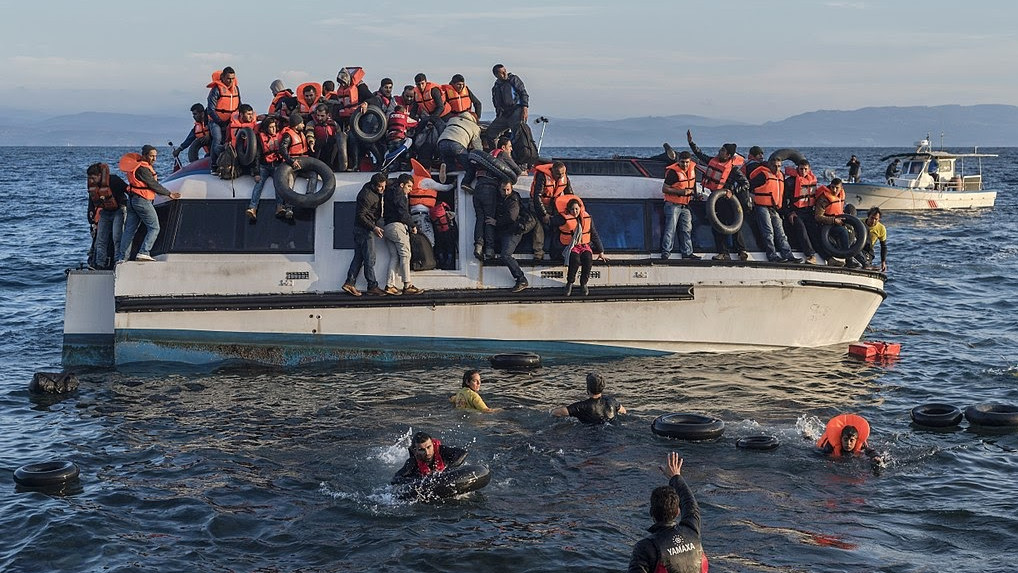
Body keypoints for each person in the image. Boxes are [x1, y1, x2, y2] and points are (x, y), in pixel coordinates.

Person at [627, 452, 706, 573]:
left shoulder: (646, 547)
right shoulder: (692, 530)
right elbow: (690, 503)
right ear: (678, 512)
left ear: (651, 513)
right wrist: (675, 476)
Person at [687, 130, 749, 261]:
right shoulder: (712, 161)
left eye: (722, 150)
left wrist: (732, 191)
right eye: (720, 149)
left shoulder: (733, 169)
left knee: (734, 226)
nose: (719, 152)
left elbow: (745, 183)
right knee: (717, 226)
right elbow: (699, 154)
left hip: (730, 200)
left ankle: (741, 251)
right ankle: (723, 252)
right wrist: (691, 143)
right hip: (716, 201)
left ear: (728, 155)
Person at [118, 145, 182, 262]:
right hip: (142, 201)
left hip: (132, 200)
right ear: (144, 155)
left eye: (155, 156)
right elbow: (153, 184)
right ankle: (144, 252)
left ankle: (122, 258)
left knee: (129, 231)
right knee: (154, 227)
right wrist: (169, 194)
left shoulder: (136, 167)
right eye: (151, 156)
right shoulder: (143, 169)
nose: (154, 159)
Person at [342, 172, 388, 297]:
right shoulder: (367, 196)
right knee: (370, 258)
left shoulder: (371, 190)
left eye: (384, 186)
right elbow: (361, 215)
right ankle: (372, 286)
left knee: (359, 257)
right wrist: (373, 228)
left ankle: (349, 283)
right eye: (380, 187)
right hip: (365, 230)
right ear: (373, 186)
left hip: (360, 229)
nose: (383, 189)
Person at [473, 136, 518, 259]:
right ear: (503, 147)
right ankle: (489, 249)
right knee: (489, 219)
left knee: (480, 218)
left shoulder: (488, 156)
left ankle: (478, 246)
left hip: (478, 188)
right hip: (489, 189)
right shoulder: (503, 155)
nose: (511, 149)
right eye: (510, 147)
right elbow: (516, 170)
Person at [749, 157, 800, 263]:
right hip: (762, 206)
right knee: (768, 232)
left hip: (774, 208)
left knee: (780, 232)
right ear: (769, 165)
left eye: (779, 166)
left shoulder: (781, 176)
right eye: (774, 166)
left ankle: (788, 254)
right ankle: (772, 255)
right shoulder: (763, 175)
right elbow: (750, 186)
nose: (777, 169)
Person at [490, 179, 536, 293]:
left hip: (514, 231)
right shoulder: (501, 198)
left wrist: (496, 222)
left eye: (508, 190)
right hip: (506, 230)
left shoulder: (513, 200)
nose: (505, 192)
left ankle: (521, 279)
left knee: (505, 255)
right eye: (503, 190)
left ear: (511, 189)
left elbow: (511, 217)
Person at [382, 173, 425, 295]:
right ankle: (407, 285)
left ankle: (389, 285)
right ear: (402, 185)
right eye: (409, 186)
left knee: (394, 256)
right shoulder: (399, 193)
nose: (411, 189)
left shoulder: (389, 192)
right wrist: (412, 225)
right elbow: (402, 212)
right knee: (406, 254)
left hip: (387, 227)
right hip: (397, 226)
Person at [558, 197, 608, 296]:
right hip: (571, 246)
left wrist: (601, 251)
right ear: (569, 210)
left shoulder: (587, 218)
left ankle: (583, 283)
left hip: (585, 245)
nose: (575, 211)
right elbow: (552, 225)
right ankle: (570, 282)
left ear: (580, 208)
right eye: (572, 209)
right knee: (575, 260)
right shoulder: (562, 219)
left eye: (576, 209)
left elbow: (594, 234)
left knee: (588, 259)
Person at [86, 162, 129, 269]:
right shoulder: (93, 186)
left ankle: (117, 262)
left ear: (100, 175)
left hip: (118, 210)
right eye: (90, 178)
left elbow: (128, 190)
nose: (92, 180)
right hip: (105, 212)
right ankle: (99, 264)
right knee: (101, 239)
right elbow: (91, 202)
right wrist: (91, 219)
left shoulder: (114, 180)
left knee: (117, 238)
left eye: (93, 177)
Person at [530, 161, 573, 260]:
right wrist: (543, 214)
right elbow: (537, 196)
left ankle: (559, 250)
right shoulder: (542, 176)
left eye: (563, 173)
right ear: (552, 171)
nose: (560, 176)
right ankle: (538, 252)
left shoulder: (564, 177)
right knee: (538, 225)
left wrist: (571, 210)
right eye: (558, 174)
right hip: (538, 203)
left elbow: (569, 195)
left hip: (554, 204)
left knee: (561, 222)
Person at [661, 151, 699, 260]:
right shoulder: (673, 173)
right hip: (672, 205)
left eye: (687, 162)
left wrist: (695, 195)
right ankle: (666, 252)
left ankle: (687, 252)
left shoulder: (692, 169)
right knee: (670, 229)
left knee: (686, 229)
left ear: (690, 161)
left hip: (685, 205)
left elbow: (693, 183)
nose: (685, 165)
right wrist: (681, 192)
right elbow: (664, 188)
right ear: (678, 161)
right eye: (682, 162)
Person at [391, 431, 468, 484]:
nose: (427, 452)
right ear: (415, 450)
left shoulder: (442, 450)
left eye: (429, 447)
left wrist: (448, 470)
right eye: (421, 450)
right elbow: (396, 478)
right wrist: (416, 481)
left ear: (432, 444)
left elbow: (462, 453)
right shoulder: (412, 462)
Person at [246, 116, 282, 222]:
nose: (273, 129)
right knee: (259, 184)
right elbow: (257, 156)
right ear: (266, 128)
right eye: (271, 127)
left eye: (274, 127)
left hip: (276, 165)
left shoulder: (280, 136)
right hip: (264, 165)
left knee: (279, 184)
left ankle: (280, 207)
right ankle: (253, 208)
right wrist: (256, 172)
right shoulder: (260, 138)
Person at [782, 159, 819, 264]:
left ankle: (828, 256)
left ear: (809, 170)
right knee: (801, 228)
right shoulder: (790, 182)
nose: (803, 171)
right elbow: (784, 200)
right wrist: (789, 212)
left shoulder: (812, 181)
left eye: (805, 169)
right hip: (796, 212)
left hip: (809, 211)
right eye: (801, 169)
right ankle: (810, 255)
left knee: (814, 231)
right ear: (797, 169)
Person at [551, 372, 627, 423]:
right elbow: (623, 411)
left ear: (588, 389)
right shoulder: (612, 401)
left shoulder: (581, 407)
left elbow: (555, 413)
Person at [205, 66, 240, 175]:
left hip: (230, 121)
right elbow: (210, 109)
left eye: (232, 78)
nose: (230, 81)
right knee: (218, 139)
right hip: (216, 121)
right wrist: (220, 121)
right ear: (223, 78)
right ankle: (214, 165)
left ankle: (229, 164)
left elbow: (239, 103)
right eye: (228, 78)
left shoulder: (236, 89)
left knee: (230, 141)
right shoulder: (216, 90)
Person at [486, 64, 529, 149]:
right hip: (504, 114)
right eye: (501, 73)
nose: (505, 73)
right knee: (490, 133)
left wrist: (525, 108)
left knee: (518, 136)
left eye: (505, 71)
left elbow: (523, 93)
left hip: (516, 111)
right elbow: (496, 102)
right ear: (496, 75)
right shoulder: (496, 86)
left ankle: (519, 157)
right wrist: (498, 114)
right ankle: (496, 154)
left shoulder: (514, 79)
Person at [437, 112, 482, 191]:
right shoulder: (474, 127)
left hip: (442, 142)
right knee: (470, 168)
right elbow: (477, 146)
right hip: (457, 144)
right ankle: (465, 183)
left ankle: (445, 166)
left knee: (452, 167)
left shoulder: (452, 119)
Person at [814, 178, 848, 266]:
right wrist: (833, 220)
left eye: (837, 188)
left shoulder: (841, 195)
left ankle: (850, 256)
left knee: (849, 231)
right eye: (832, 187)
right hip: (825, 225)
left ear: (841, 188)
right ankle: (847, 258)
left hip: (837, 222)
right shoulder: (824, 198)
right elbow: (818, 217)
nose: (834, 190)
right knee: (843, 232)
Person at [816, 413, 881, 461]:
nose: (848, 443)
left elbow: (871, 452)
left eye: (851, 440)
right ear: (841, 439)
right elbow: (820, 455)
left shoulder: (862, 445)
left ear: (856, 440)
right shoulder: (830, 446)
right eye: (845, 439)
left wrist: (876, 457)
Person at [860, 207, 888, 272]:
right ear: (868, 216)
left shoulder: (881, 228)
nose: (873, 221)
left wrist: (883, 262)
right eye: (872, 218)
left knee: (865, 264)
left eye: (876, 219)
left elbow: (883, 246)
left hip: (868, 250)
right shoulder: (860, 223)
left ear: (879, 219)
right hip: (857, 247)